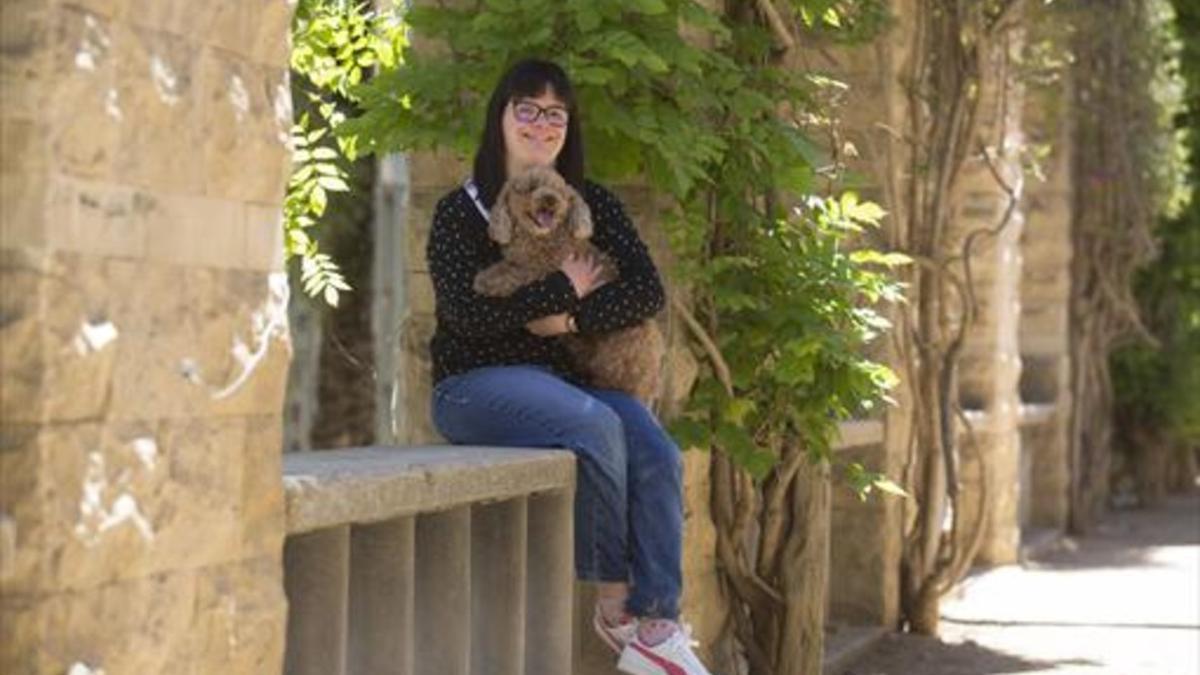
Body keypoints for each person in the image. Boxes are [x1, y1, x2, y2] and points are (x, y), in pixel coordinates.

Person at [427, 58, 714, 675]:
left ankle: (658, 626)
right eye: (525, 109)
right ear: (500, 117)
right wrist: (562, 287)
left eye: (555, 114)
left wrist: (571, 322)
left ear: (569, 126)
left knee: (657, 448)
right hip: (472, 388)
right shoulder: (461, 213)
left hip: (561, 384)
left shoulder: (591, 203)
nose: (541, 124)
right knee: (595, 424)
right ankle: (615, 610)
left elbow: (647, 292)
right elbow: (467, 316)